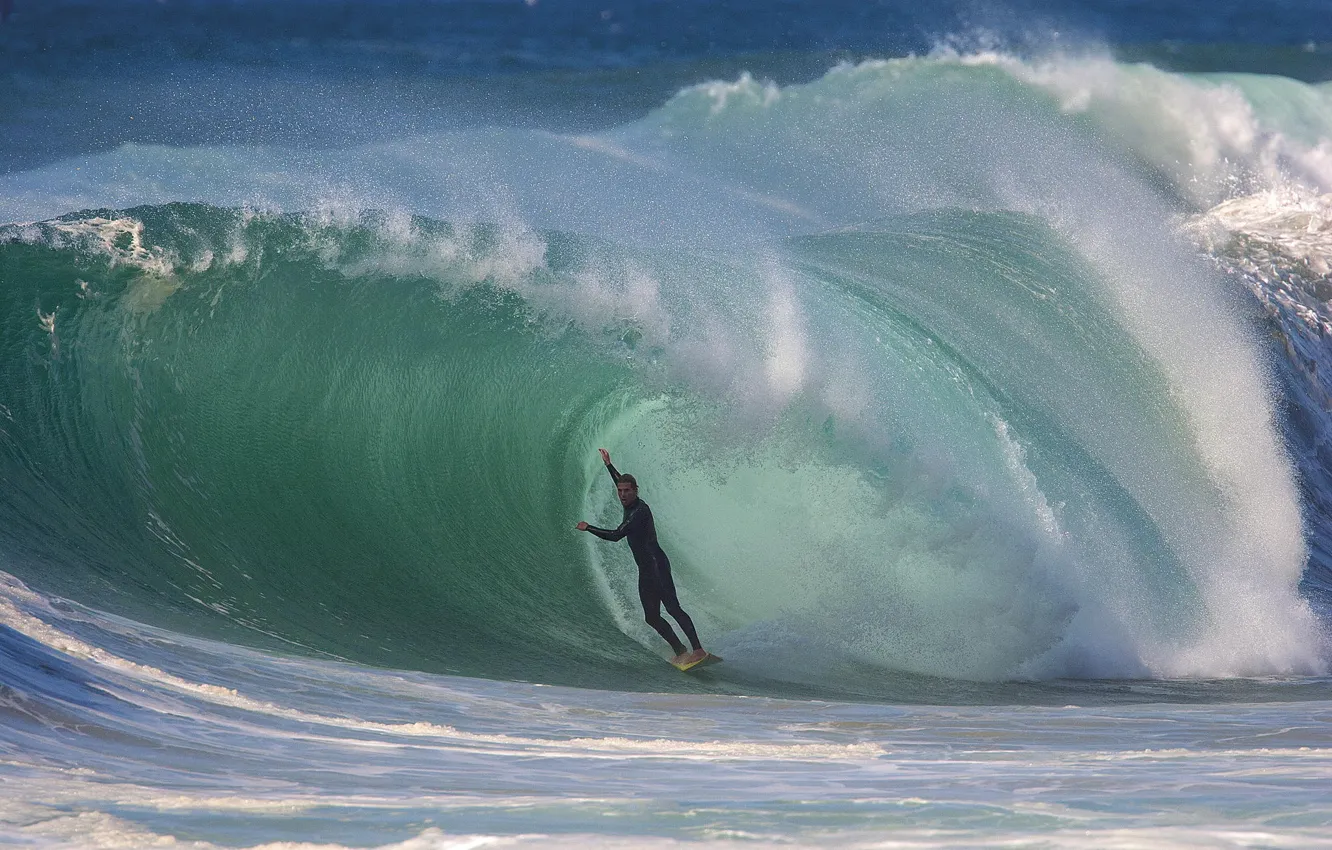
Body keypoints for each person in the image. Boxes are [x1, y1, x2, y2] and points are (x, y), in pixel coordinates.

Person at [577, 449, 707, 666]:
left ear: (636, 491)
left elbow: (617, 535)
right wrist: (609, 465)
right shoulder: (627, 499)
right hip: (646, 570)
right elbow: (620, 480)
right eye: (620, 491)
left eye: (627, 491)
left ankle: (698, 650)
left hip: (657, 565)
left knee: (673, 608)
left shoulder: (639, 512)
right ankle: (680, 650)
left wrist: (588, 527)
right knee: (652, 617)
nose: (622, 495)